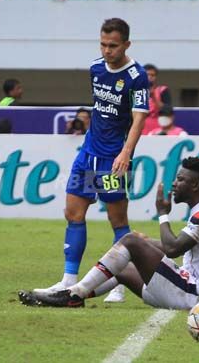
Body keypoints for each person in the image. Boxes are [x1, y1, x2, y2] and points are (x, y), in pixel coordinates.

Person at [32, 18, 149, 304]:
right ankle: (69, 280)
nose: (107, 51)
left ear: (126, 45)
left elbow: (139, 118)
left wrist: (125, 152)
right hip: (88, 154)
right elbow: (100, 108)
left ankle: (120, 282)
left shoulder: (136, 75)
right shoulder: (96, 68)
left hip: (113, 158)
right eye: (103, 44)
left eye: (113, 45)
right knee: (73, 213)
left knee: (117, 219)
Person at [19, 157, 199, 310]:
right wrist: (146, 243)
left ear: (195, 185)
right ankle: (68, 294)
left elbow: (173, 249)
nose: (175, 183)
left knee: (129, 240)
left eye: (180, 179)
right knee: (122, 267)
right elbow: (179, 246)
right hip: (193, 290)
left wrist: (162, 214)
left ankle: (73, 294)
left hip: (197, 296)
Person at [141, 64, 172, 135]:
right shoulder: (135, 91)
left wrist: (153, 96)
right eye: (147, 75)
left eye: (152, 75)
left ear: (156, 77)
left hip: (158, 128)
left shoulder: (163, 90)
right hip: (140, 127)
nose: (150, 77)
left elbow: (166, 111)